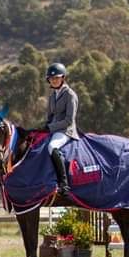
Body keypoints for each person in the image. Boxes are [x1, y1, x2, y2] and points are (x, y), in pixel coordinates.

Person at [44, 62, 79, 196]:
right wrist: (43, 128)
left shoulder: (70, 95)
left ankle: (64, 184)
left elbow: (69, 120)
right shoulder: (52, 96)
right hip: (53, 129)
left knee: (52, 147)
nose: (54, 80)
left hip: (66, 131)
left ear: (63, 78)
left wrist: (50, 127)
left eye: (56, 78)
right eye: (51, 79)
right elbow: (50, 117)